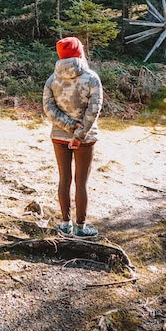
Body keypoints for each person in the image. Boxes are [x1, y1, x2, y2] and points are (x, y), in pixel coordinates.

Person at [42, 36, 103, 238]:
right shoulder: (92, 77)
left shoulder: (52, 79)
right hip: (86, 139)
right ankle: (81, 228)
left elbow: (48, 109)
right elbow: (94, 109)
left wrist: (68, 126)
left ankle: (65, 224)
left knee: (64, 179)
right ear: (79, 52)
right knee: (81, 182)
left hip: (59, 136)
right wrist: (79, 134)